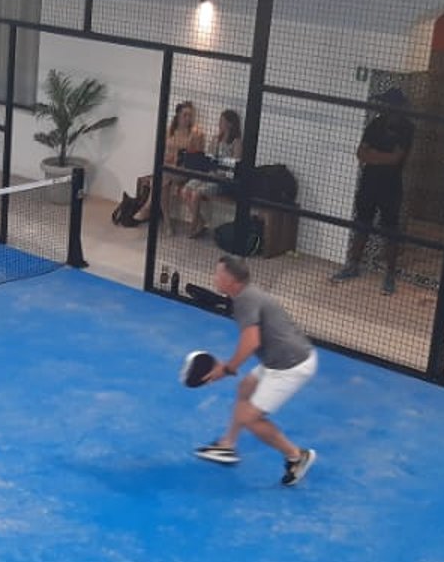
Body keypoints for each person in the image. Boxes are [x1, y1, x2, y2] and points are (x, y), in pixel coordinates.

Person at [194, 254, 318, 486]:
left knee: (250, 418)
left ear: (232, 280)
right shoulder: (246, 295)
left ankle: (296, 456)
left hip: (291, 366)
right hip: (280, 359)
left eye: (218, 274)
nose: (214, 277)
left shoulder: (245, 300)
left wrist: (228, 368)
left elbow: (251, 342)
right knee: (246, 387)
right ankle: (227, 445)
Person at [332, 86, 415, 294]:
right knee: (362, 223)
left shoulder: (407, 128)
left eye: (389, 104)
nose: (385, 108)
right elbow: (361, 153)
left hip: (391, 185)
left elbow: (396, 158)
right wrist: (382, 158)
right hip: (369, 182)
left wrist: (374, 156)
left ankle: (390, 275)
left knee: (390, 230)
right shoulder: (376, 123)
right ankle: (353, 266)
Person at [114, 101, 204, 227]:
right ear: (178, 115)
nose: (188, 118)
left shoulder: (195, 133)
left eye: (190, 115)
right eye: (185, 115)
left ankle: (148, 208)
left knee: (160, 176)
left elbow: (198, 158)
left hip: (184, 171)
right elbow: (161, 151)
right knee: (162, 180)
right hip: (168, 169)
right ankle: (167, 222)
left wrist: (180, 158)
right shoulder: (170, 131)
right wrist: (168, 158)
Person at [177, 108, 244, 237]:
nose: (219, 123)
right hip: (209, 174)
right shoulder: (215, 139)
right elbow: (209, 158)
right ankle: (201, 221)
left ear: (230, 124)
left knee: (197, 193)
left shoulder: (236, 142)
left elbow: (235, 165)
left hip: (222, 180)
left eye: (222, 121)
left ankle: (193, 224)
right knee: (185, 191)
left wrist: (220, 169)